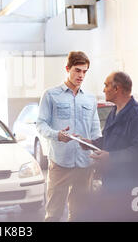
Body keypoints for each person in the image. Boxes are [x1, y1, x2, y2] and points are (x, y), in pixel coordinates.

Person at [37, 51, 102, 222]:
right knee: (53, 214)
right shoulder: (50, 95)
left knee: (80, 214)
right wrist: (57, 135)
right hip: (60, 163)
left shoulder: (90, 99)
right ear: (67, 68)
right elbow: (41, 124)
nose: (81, 75)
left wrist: (97, 152)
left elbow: (95, 129)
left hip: (85, 164)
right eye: (77, 70)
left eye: (84, 72)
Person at [79, 71, 138, 194]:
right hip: (113, 183)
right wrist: (91, 143)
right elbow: (109, 140)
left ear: (117, 88)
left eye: (106, 85)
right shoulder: (114, 112)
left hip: (133, 187)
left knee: (133, 214)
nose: (103, 90)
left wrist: (111, 157)